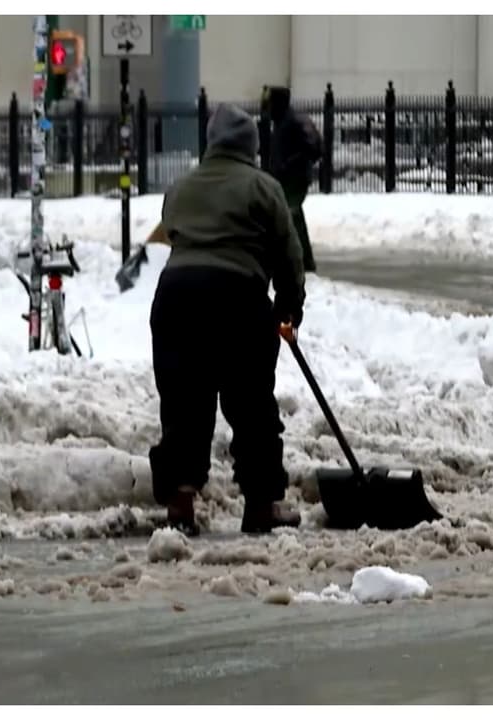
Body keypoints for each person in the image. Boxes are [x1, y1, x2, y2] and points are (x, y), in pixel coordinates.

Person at [149, 103, 307, 537]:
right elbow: (288, 252)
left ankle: (180, 501)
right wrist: (289, 302)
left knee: (183, 402)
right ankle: (260, 505)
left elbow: (173, 229)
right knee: (251, 402)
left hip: (177, 298)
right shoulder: (263, 187)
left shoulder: (181, 188)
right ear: (252, 146)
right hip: (238, 298)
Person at [266, 86, 323, 273]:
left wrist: (290, 164)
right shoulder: (282, 121)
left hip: (294, 179)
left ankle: (304, 261)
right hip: (285, 178)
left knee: (291, 215)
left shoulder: (292, 121)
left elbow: (314, 148)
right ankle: (297, 259)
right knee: (288, 216)